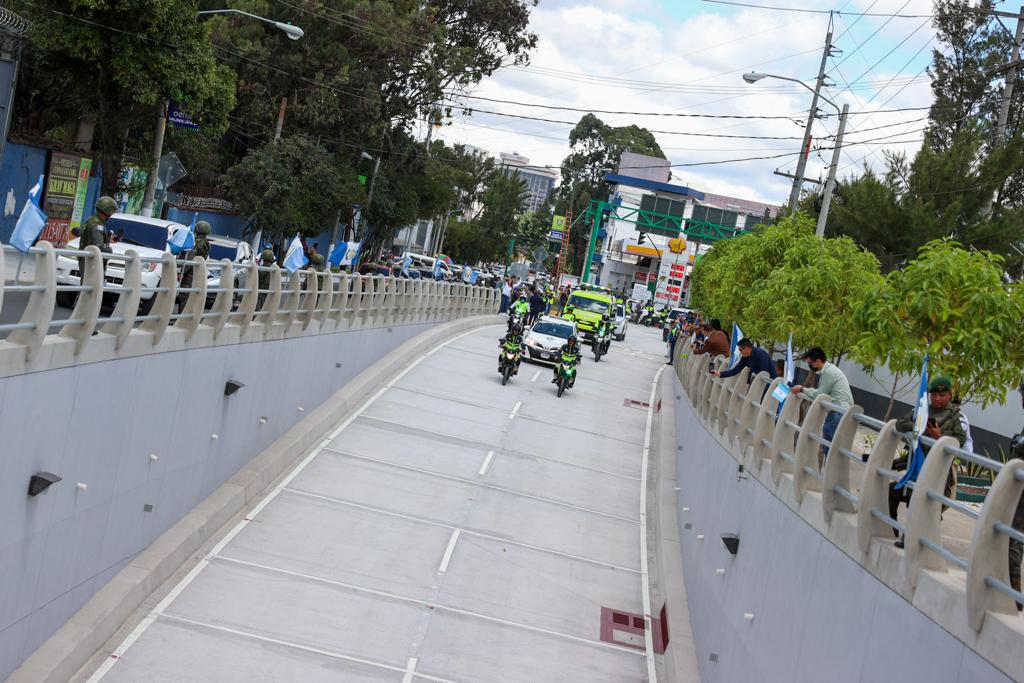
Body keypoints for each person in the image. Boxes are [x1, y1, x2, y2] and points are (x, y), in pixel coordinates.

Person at [887, 376, 966, 544]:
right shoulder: (923, 409)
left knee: (922, 502)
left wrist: (939, 437)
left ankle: (910, 538)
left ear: (949, 395)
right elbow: (900, 423)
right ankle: (890, 525)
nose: (937, 398)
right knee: (892, 491)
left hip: (940, 472)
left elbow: (960, 440)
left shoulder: (955, 416)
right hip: (918, 466)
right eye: (934, 395)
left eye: (942, 395)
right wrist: (919, 428)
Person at [790, 346, 854, 448]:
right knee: (834, 448)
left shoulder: (828, 372)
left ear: (818, 361)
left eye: (810, 363)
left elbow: (820, 394)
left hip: (838, 413)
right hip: (842, 411)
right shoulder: (830, 370)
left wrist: (802, 389)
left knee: (829, 448)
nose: (809, 366)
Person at [75, 195, 116, 285]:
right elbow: (98, 246)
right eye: (111, 211)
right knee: (89, 288)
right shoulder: (97, 224)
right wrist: (109, 250)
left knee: (87, 287)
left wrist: (108, 238)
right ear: (107, 210)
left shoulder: (93, 220)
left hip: (88, 259)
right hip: (91, 261)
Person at [177, 220, 211, 309]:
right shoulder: (205, 243)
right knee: (188, 294)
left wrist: (181, 272)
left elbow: (190, 259)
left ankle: (181, 318)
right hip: (196, 271)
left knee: (184, 294)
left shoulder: (197, 243)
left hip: (190, 271)